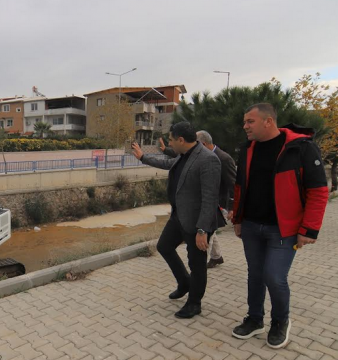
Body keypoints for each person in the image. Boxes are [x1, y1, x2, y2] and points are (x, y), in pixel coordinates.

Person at [231, 103, 329, 349]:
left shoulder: (300, 148)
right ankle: (255, 320)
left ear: (268, 122)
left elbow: (318, 192)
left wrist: (309, 230)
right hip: (252, 225)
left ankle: (280, 322)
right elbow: (240, 186)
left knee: (274, 277)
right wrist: (238, 219)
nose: (245, 126)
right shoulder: (248, 149)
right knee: (255, 275)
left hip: (283, 230)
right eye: (244, 122)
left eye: (249, 121)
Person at [131, 121, 222, 319]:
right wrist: (143, 157)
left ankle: (194, 303)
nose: (170, 144)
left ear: (181, 140)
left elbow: (210, 198)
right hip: (178, 216)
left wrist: (202, 230)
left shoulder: (208, 159)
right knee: (164, 246)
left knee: (197, 264)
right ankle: (184, 283)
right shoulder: (183, 154)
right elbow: (167, 163)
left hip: (196, 222)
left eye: (171, 140)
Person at [159, 131, 236, 268]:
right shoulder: (197, 156)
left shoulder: (223, 158)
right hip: (205, 202)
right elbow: (178, 158)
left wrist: (232, 206)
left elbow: (233, 184)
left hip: (218, 204)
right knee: (212, 232)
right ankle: (217, 256)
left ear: (203, 144)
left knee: (207, 233)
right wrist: (165, 150)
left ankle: (202, 262)